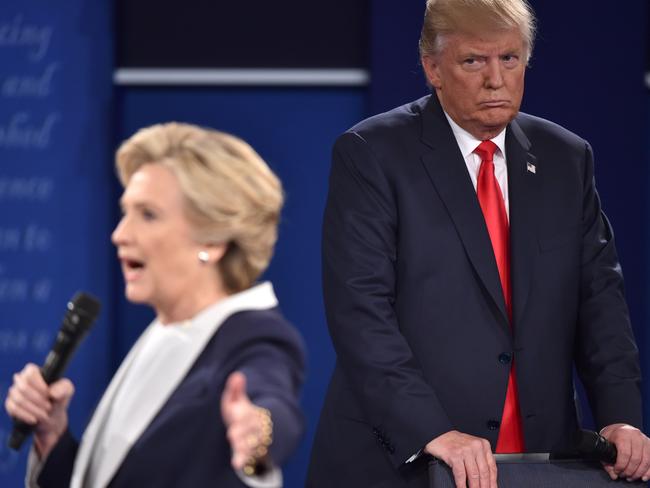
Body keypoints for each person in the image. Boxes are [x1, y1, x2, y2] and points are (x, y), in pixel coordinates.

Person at [307, 1, 649, 487]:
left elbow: (600, 303)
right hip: (405, 460)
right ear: (433, 69)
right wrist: (434, 430)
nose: (496, 79)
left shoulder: (566, 158)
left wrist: (621, 416)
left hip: (538, 460)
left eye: (509, 59)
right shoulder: (373, 154)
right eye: (474, 61)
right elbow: (361, 314)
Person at [5, 123, 305, 487]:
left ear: (212, 238)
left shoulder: (255, 336)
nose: (120, 234)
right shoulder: (164, 331)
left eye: (147, 214)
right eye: (125, 211)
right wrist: (51, 438)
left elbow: (271, 398)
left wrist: (259, 433)